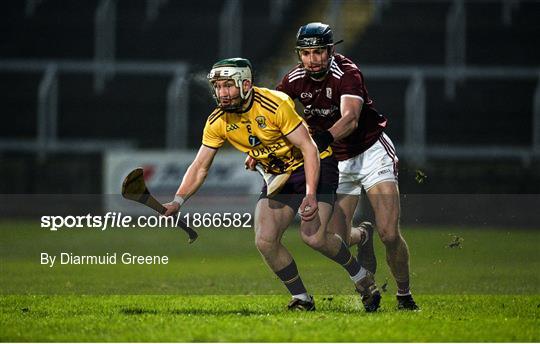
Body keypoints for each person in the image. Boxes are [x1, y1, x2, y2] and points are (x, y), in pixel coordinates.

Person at [163, 57, 381, 312]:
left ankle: (361, 278)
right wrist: (178, 200)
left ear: (245, 84)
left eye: (228, 86)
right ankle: (301, 298)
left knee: (314, 237)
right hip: (280, 175)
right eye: (218, 87)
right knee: (265, 240)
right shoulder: (217, 121)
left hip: (314, 166)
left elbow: (309, 149)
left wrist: (310, 195)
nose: (222, 93)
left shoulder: (273, 104)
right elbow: (200, 166)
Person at [252, 22, 419, 310]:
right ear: (299, 55)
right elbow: (274, 116)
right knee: (337, 240)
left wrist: (319, 139)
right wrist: (261, 147)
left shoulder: (347, 73)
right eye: (306, 53)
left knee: (390, 233)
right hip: (334, 159)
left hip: (370, 152)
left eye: (319, 52)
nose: (312, 59)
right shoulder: (292, 80)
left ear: (330, 51)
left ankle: (404, 295)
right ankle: (362, 235)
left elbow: (351, 119)